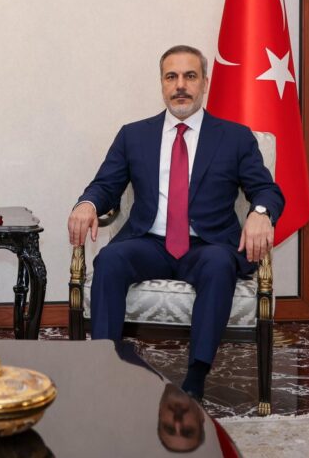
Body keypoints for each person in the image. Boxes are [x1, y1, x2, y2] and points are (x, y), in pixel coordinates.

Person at [67, 45, 283, 400]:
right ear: (162, 84)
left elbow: (267, 191)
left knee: (218, 264)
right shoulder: (133, 135)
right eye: (172, 77)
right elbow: (106, 184)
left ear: (205, 83)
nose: (180, 85)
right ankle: (106, 366)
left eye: (190, 76)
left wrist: (260, 215)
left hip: (208, 245)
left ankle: (196, 377)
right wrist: (87, 203)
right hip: (150, 242)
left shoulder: (235, 137)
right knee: (109, 259)